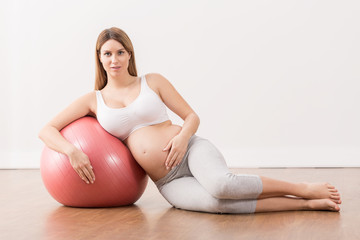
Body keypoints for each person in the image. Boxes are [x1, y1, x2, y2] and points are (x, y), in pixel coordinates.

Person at [39, 27, 341, 214]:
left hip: (191, 151)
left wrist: (182, 138)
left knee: (222, 185)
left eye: (120, 52)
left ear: (130, 55)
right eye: (107, 54)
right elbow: (47, 130)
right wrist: (72, 151)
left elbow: (192, 117)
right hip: (166, 180)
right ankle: (306, 204)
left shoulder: (152, 81)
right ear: (99, 58)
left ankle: (303, 188)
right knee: (216, 204)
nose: (114, 59)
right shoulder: (94, 100)